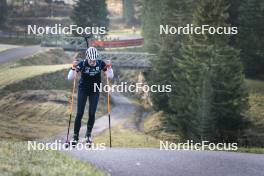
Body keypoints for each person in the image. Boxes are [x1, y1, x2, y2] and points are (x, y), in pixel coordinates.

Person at [68, 47, 114, 145]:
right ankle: (75, 137)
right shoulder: (82, 63)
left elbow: (110, 76)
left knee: (92, 113)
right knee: (79, 113)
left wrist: (109, 67)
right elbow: (70, 77)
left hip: (95, 90)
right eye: (91, 60)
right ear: (87, 57)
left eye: (94, 60)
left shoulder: (100, 63)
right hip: (83, 90)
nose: (93, 62)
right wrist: (73, 67)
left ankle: (88, 136)